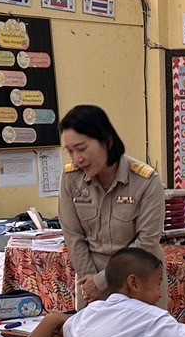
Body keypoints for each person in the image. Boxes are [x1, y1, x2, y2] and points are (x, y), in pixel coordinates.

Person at [58, 105, 166, 306]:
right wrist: (91, 282)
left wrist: (102, 281)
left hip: (138, 282)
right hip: (89, 283)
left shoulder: (145, 180)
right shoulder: (71, 179)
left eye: (82, 148)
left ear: (107, 141)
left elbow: (147, 242)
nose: (77, 159)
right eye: (70, 151)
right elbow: (73, 237)